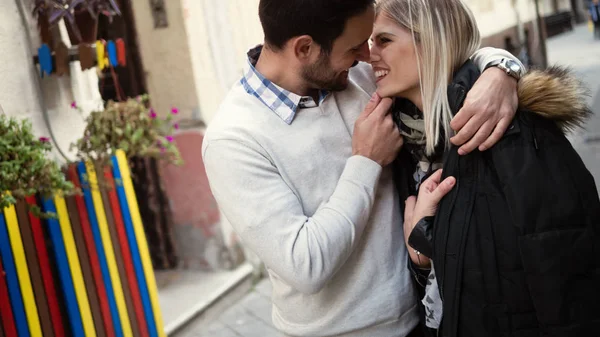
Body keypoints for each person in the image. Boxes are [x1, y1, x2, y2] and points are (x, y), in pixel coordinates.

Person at [202, 0, 526, 336]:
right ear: (305, 48)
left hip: (422, 316)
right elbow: (305, 266)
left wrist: (502, 70)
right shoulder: (233, 140)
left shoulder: (351, 75)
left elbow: (443, 57)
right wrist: (366, 161)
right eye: (355, 46)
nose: (366, 56)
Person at [369, 0, 600, 336]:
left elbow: (570, 276)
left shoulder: (514, 132)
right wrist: (422, 251)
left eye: (384, 40)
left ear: (431, 41)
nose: (370, 52)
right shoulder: (407, 142)